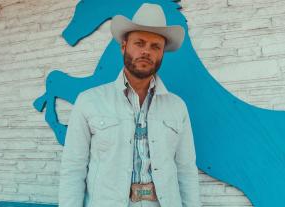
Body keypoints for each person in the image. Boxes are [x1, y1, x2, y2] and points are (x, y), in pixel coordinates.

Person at [59, 3, 200, 207]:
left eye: (155, 46)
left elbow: (186, 170)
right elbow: (73, 168)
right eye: (139, 43)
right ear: (124, 46)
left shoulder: (177, 107)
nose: (146, 52)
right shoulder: (89, 101)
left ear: (162, 53)